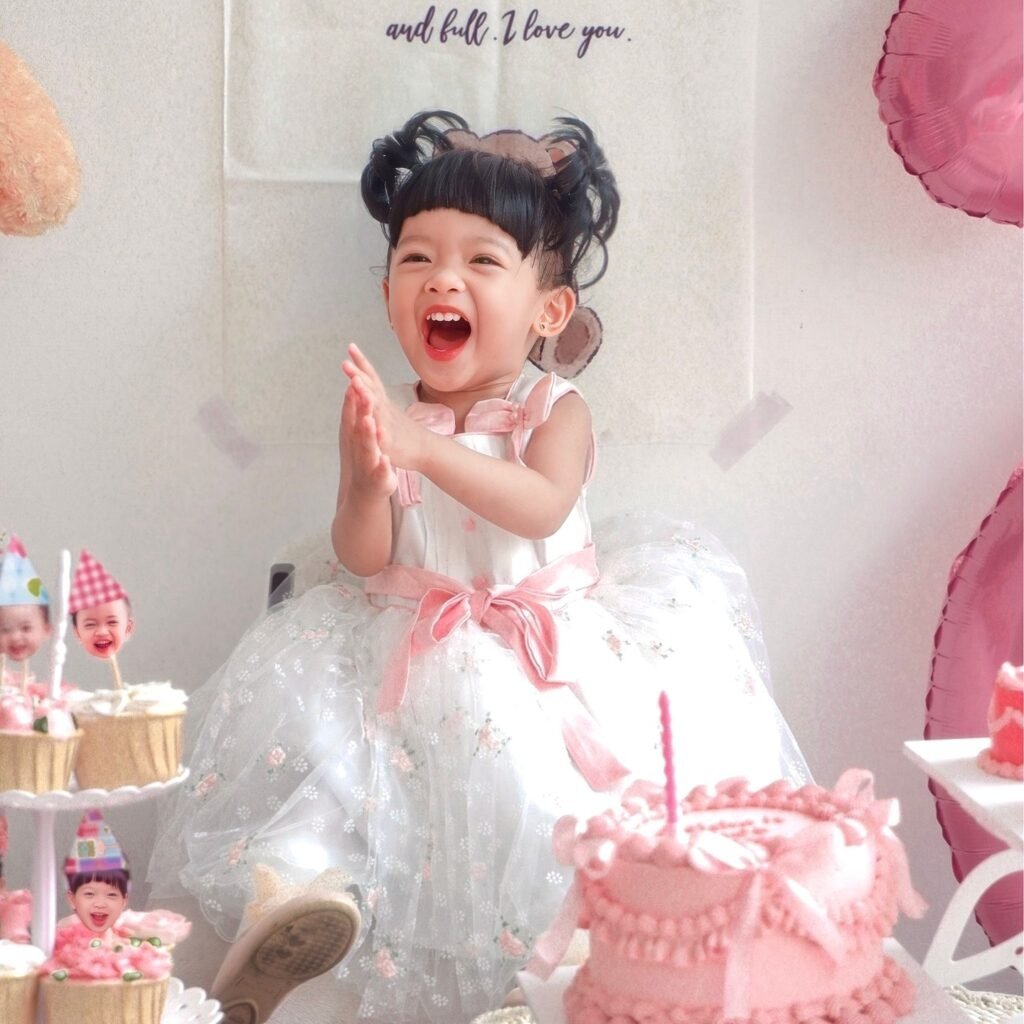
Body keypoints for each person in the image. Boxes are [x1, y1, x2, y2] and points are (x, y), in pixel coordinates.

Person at [150, 109, 809, 1024]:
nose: (441, 278)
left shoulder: (555, 407)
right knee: (335, 771)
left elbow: (538, 506)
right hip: (399, 637)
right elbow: (363, 554)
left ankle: (571, 945)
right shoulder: (382, 410)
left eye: (481, 260)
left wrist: (422, 453)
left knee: (542, 799)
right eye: (416, 258)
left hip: (542, 653)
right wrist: (371, 476)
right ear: (390, 291)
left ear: (549, 310)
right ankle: (296, 904)